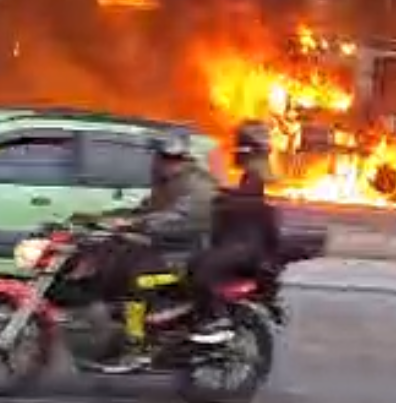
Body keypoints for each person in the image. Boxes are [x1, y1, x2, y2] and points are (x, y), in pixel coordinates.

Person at [96, 131, 219, 364]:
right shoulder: (167, 182)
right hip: (165, 250)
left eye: (165, 158)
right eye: (158, 157)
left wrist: (137, 223)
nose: (158, 163)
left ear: (180, 159)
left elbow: (178, 218)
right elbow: (148, 209)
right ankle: (120, 328)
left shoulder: (198, 185)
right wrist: (108, 218)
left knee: (136, 280)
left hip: (185, 259)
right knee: (113, 262)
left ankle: (136, 343)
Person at [186, 121, 281, 344]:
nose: (235, 153)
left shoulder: (257, 176)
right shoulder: (252, 175)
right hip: (243, 241)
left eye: (240, 148)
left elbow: (244, 204)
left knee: (201, 268)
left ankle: (216, 318)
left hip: (246, 246)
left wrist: (219, 186)